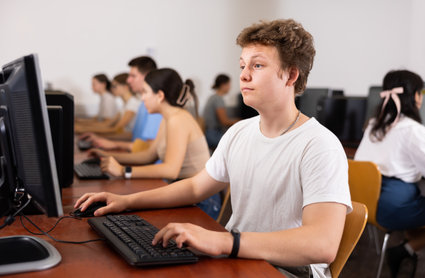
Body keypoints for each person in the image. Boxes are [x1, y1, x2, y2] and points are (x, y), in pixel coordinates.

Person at [75, 19, 351, 278]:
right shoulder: (240, 132)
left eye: (257, 66)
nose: (243, 75)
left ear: (291, 75)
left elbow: (321, 245)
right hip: (240, 254)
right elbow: (196, 188)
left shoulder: (319, 145)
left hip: (287, 268)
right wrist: (127, 201)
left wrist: (224, 241)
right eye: (242, 65)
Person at [89, 68, 221, 219]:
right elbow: (148, 155)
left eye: (145, 92)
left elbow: (170, 170)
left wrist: (123, 171)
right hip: (182, 192)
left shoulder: (177, 119)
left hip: (201, 202)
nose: (142, 98)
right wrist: (108, 155)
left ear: (160, 95)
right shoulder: (168, 117)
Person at [354, 70, 425, 277]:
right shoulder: (413, 131)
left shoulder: (373, 125)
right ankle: (404, 250)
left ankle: (405, 252)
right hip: (392, 209)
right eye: (421, 92)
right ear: (415, 96)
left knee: (420, 198)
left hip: (368, 206)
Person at [81, 56, 162, 151]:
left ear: (147, 76)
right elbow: (134, 137)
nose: (128, 80)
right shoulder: (142, 104)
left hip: (142, 161)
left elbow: (148, 149)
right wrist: (101, 139)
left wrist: (114, 145)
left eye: (133, 76)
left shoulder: (154, 106)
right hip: (134, 154)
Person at [75, 73, 141, 137]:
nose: (111, 89)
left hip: (127, 137)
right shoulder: (125, 105)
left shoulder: (133, 103)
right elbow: (108, 124)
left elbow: (116, 129)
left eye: (114, 86)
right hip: (122, 135)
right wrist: (83, 127)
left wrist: (84, 129)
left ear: (125, 87)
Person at [203, 74, 240, 148]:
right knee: (239, 143)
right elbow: (224, 121)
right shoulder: (218, 99)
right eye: (229, 84)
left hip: (208, 133)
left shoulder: (212, 97)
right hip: (213, 135)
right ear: (223, 85)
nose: (230, 87)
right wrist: (240, 121)